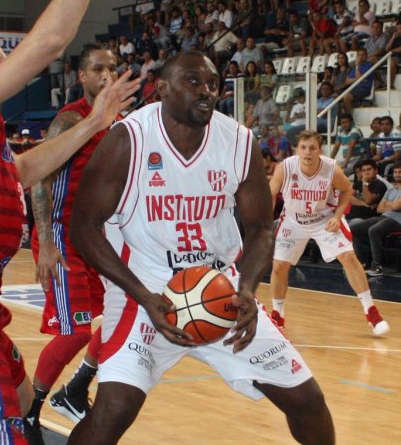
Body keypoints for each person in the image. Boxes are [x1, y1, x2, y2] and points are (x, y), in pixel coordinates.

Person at [66, 51, 335, 445]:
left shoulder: (239, 141)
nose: (206, 91)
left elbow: (261, 227)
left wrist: (246, 289)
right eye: (192, 81)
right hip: (145, 291)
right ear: (162, 88)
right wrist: (142, 295)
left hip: (219, 291)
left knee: (307, 401)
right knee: (113, 411)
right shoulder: (129, 138)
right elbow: (84, 227)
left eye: (212, 83)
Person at [0, 2, 139, 445]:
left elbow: (20, 170)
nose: (3, 56)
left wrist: (94, 122)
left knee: (19, 397)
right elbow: (49, 43)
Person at [25, 46, 124, 442]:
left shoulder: (120, 124)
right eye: (98, 68)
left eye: (112, 68)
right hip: (61, 237)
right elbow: (40, 178)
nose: (107, 74)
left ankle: (77, 386)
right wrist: (47, 243)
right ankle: (30, 412)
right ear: (81, 76)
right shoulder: (70, 120)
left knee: (124, 314)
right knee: (76, 332)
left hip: (97, 237)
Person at [269, 130, 390, 336]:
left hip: (324, 219)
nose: (308, 152)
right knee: (279, 266)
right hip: (293, 220)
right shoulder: (285, 168)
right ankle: (277, 315)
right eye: (303, 147)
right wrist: (264, 223)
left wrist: (337, 215)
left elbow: (347, 190)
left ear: (320, 150)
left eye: (312, 148)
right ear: (297, 150)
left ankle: (371, 311)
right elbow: (270, 194)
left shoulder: (331, 168)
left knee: (348, 257)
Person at [352, 162, 401, 277]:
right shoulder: (391, 190)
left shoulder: (383, 187)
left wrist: (388, 204)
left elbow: (395, 207)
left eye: (400, 172)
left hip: (398, 220)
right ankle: (361, 262)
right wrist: (392, 205)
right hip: (384, 217)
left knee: (373, 230)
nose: (397, 174)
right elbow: (379, 208)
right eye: (395, 172)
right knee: (354, 228)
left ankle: (377, 266)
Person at [346, 159, 388, 228]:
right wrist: (363, 203)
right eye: (363, 170)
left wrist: (365, 183)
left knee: (348, 228)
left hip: (367, 219)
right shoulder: (359, 183)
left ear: (376, 171)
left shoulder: (380, 185)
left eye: (369, 169)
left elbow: (368, 200)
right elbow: (347, 197)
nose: (366, 173)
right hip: (351, 216)